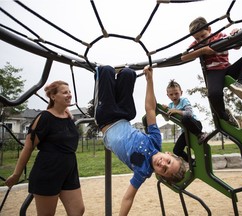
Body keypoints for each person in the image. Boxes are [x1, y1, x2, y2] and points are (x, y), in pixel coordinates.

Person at [93, 65, 188, 215]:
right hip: (123, 116)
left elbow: (128, 198)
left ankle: (107, 75)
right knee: (129, 74)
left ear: (159, 174)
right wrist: (149, 79)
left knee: (106, 71)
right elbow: (150, 109)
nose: (162, 164)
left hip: (105, 119)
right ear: (169, 154)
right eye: (168, 162)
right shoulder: (156, 141)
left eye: (164, 169)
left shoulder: (142, 172)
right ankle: (122, 74)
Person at [5, 81, 85, 216]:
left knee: (78, 210)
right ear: (53, 97)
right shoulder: (45, 117)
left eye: (69, 92)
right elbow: (28, 147)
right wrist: (16, 174)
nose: (69, 95)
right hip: (48, 171)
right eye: (65, 92)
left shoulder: (68, 117)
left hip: (69, 170)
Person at [181, 16, 242, 128]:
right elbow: (184, 57)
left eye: (203, 36)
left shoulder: (220, 36)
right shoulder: (197, 44)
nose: (200, 40)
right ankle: (225, 116)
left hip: (228, 68)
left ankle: (241, 83)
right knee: (213, 94)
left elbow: (237, 46)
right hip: (213, 72)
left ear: (209, 29)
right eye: (197, 38)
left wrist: (236, 34)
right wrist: (202, 50)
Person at [162, 79, 206, 162]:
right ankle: (192, 162)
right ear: (168, 95)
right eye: (171, 94)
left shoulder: (184, 101)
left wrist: (176, 111)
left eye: (176, 93)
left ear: (181, 93)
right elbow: (167, 119)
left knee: (185, 118)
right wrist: (164, 112)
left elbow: (189, 113)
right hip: (185, 131)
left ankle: (201, 135)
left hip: (195, 125)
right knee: (176, 150)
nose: (174, 96)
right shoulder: (170, 106)